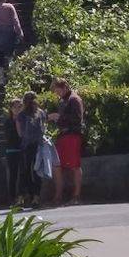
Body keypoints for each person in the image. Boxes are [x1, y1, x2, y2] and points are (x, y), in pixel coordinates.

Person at [48, 78, 84, 206]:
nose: (57, 94)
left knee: (74, 165)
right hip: (63, 135)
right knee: (57, 165)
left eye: (58, 90)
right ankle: (59, 195)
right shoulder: (63, 100)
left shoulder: (74, 99)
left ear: (64, 87)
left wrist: (59, 117)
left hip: (72, 134)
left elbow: (77, 119)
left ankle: (76, 195)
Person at [17, 90, 47, 208]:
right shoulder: (41, 113)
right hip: (38, 145)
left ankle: (23, 197)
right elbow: (43, 129)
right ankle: (36, 197)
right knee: (37, 171)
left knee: (25, 172)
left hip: (26, 145)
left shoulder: (21, 115)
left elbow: (20, 133)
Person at [3, 99, 24, 206]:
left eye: (19, 107)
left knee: (23, 174)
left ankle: (21, 197)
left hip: (22, 149)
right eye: (15, 107)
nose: (17, 109)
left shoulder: (24, 119)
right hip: (12, 150)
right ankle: (12, 198)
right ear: (11, 109)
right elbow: (9, 137)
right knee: (13, 175)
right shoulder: (8, 121)